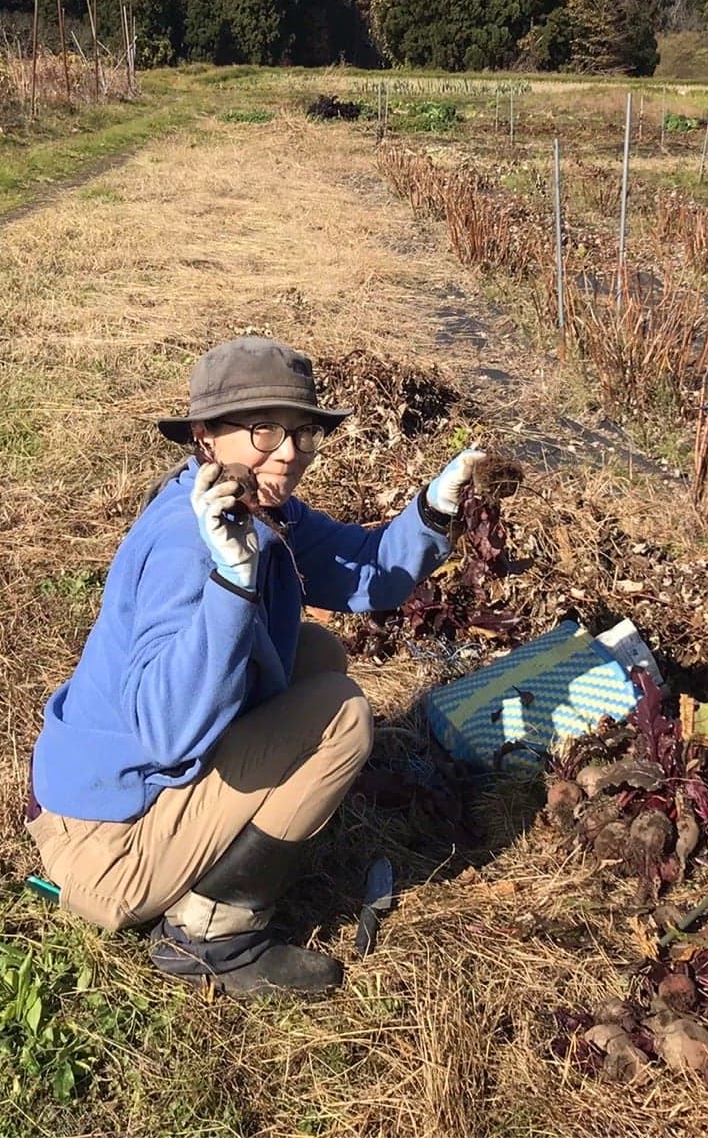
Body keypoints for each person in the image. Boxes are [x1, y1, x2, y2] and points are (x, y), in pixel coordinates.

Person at [26, 335, 484, 998]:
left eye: (302, 432)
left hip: (113, 796)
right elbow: (166, 732)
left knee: (316, 654)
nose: (290, 450)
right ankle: (211, 933)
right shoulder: (189, 545)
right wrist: (233, 581)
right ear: (206, 435)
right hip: (105, 847)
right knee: (344, 718)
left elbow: (368, 574)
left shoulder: (260, 510)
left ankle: (233, 845)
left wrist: (435, 506)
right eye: (263, 428)